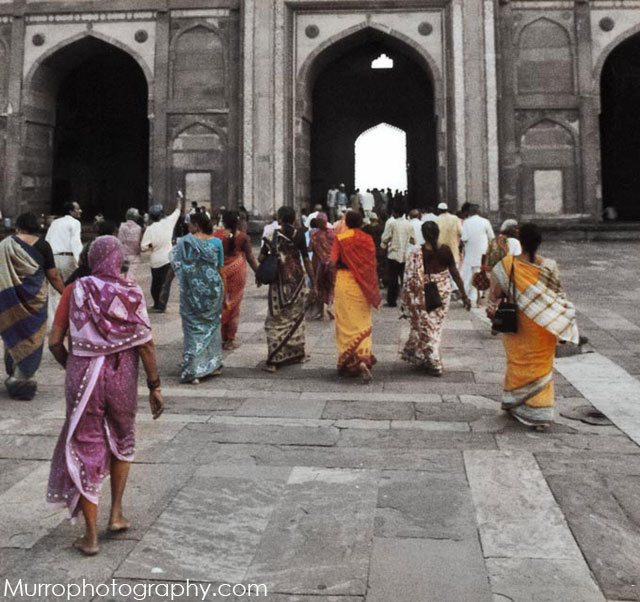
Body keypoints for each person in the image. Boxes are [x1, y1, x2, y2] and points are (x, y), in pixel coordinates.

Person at [47, 235, 164, 556]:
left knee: (86, 445)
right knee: (123, 439)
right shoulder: (131, 291)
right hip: (122, 377)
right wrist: (154, 386)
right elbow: (146, 343)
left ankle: (90, 536)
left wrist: (70, 364)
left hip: (83, 376)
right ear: (117, 260)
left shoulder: (75, 289)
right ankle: (116, 514)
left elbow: (55, 341)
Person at [487, 223, 579, 428]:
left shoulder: (506, 265)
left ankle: (516, 402)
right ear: (539, 243)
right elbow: (557, 295)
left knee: (518, 362)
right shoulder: (549, 265)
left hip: (517, 325)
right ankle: (540, 412)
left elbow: (495, 294)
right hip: (543, 325)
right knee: (541, 365)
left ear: (519, 242)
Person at [0, 213, 65, 400]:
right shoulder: (43, 245)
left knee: (12, 333)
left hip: (9, 300)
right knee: (33, 338)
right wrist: (67, 293)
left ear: (18, 226)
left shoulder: (5, 245)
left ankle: (15, 374)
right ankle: (24, 377)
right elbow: (53, 276)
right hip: (35, 302)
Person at [401, 221, 470, 376]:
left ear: (423, 235)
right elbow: (455, 274)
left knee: (426, 325)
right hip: (442, 292)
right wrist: (464, 295)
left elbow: (410, 277)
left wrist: (406, 298)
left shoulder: (417, 252)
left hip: (423, 292)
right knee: (435, 327)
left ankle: (433, 361)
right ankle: (427, 357)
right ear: (438, 233)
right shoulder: (445, 250)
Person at [170, 212, 225, 384]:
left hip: (192, 291)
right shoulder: (216, 242)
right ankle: (211, 364)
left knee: (193, 329)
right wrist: (226, 295)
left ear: (197, 225)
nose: (188, 227)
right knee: (211, 326)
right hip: (213, 290)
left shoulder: (185, 243)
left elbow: (176, 264)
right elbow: (221, 270)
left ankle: (193, 368)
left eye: (190, 224)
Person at [258, 206, 315, 372]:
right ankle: (296, 353)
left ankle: (275, 359)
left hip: (279, 283)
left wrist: (272, 254)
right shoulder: (300, 236)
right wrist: (314, 281)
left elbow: (261, 258)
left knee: (276, 319)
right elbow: (306, 260)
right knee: (295, 318)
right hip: (296, 282)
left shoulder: (271, 236)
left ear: (280, 219)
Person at [330, 210, 381, 382]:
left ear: (347, 223)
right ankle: (363, 357)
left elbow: (332, 262)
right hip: (362, 285)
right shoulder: (368, 239)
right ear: (361, 223)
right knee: (362, 321)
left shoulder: (341, 238)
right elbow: (371, 263)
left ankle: (350, 360)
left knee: (345, 321)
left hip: (345, 282)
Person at [213, 210, 259, 349]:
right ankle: (230, 340)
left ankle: (221, 337)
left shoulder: (217, 236)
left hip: (221, 272)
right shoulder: (243, 237)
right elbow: (250, 257)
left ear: (223, 221)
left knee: (222, 304)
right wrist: (259, 273)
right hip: (238, 270)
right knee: (234, 307)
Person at [45, 201, 83, 325]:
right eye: (78, 208)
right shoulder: (75, 223)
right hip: (68, 258)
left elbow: (47, 241)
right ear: (71, 211)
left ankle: (53, 324)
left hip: (53, 258)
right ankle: (68, 324)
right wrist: (79, 262)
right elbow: (75, 242)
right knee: (70, 290)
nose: (80, 210)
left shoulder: (55, 223)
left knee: (53, 291)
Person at [140, 204, 180, 312]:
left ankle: (157, 303)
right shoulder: (169, 222)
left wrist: (152, 245)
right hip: (168, 258)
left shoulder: (150, 229)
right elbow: (177, 211)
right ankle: (161, 306)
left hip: (155, 260)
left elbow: (143, 247)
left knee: (155, 283)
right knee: (165, 284)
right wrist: (178, 199)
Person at [381, 204, 414, 307]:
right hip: (405, 254)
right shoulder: (409, 224)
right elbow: (413, 239)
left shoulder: (392, 224)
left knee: (393, 279)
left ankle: (392, 301)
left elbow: (385, 237)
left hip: (393, 254)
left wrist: (383, 246)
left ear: (395, 213)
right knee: (405, 278)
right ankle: (408, 300)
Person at [461, 204, 495, 306]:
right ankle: (478, 299)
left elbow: (464, 238)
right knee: (480, 276)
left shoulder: (466, 222)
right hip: (482, 254)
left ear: (469, 212)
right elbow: (492, 237)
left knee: (468, 277)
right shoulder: (485, 222)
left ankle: (468, 298)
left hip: (470, 253)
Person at [308, 212, 336, 321]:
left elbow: (310, 248)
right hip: (331, 263)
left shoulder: (313, 233)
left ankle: (319, 311)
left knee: (318, 286)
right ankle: (330, 305)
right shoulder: (332, 234)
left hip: (317, 264)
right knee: (331, 286)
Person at [117, 208, 143, 280]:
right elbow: (139, 242)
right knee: (131, 276)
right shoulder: (139, 228)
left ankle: (121, 288)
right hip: (134, 256)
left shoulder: (121, 226)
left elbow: (119, 240)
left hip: (122, 255)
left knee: (121, 275)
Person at [363, 212, 386, 288]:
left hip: (369, 249)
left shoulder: (366, 228)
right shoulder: (381, 228)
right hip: (379, 249)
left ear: (370, 219)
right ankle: (380, 281)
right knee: (379, 265)